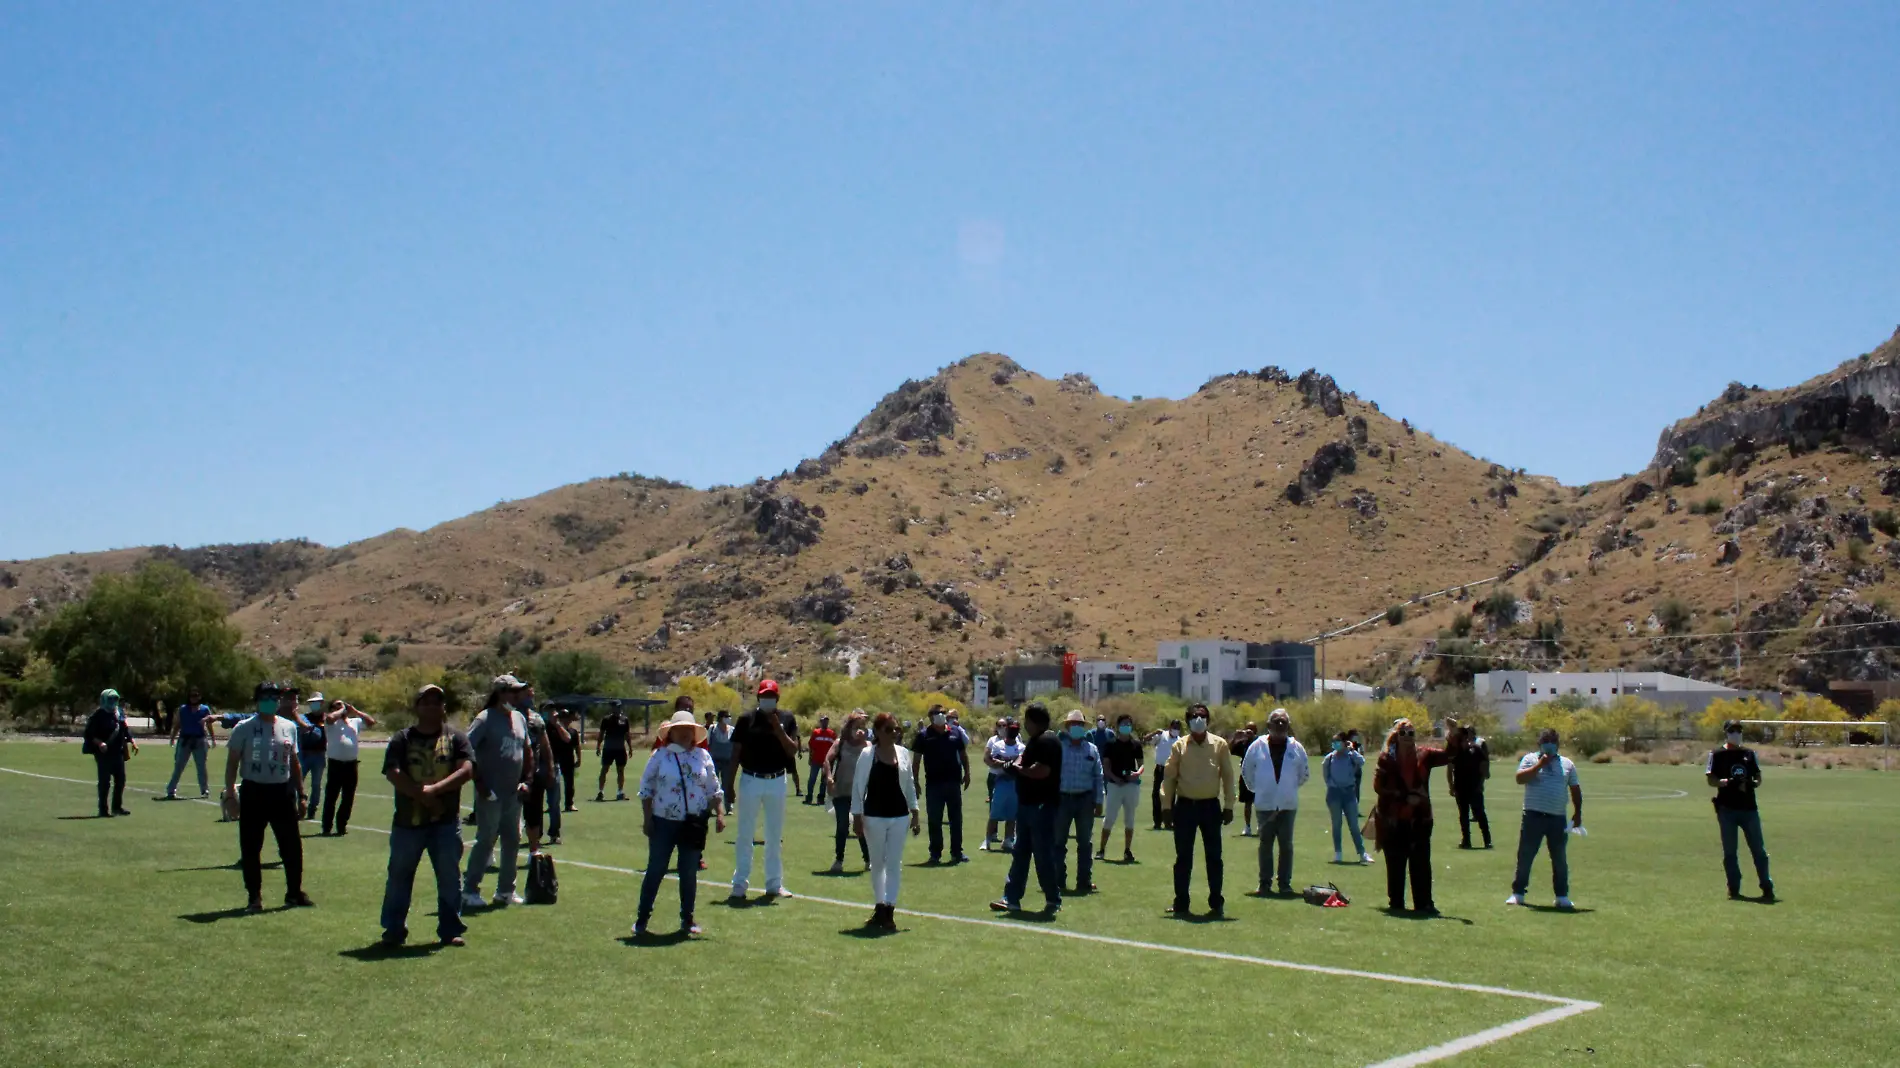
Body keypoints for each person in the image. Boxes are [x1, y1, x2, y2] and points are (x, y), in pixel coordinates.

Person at [379, 683, 474, 947]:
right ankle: (393, 930)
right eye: (426, 701)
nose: (432, 706)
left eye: (437, 701)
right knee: (399, 877)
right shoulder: (403, 739)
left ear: (444, 708)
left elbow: (466, 769)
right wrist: (423, 796)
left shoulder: (456, 738)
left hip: (445, 823)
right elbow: (393, 772)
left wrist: (434, 790)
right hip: (408, 823)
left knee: (449, 877)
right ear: (417, 706)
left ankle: (450, 929)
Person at [635, 711, 726, 938]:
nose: (686, 734)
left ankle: (687, 919)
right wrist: (647, 820)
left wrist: (720, 814)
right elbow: (646, 789)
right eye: (681, 729)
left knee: (688, 872)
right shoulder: (659, 756)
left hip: (693, 823)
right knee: (655, 870)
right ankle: (642, 919)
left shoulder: (703, 756)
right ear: (671, 733)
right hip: (663, 822)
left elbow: (713, 787)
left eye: (689, 730)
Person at [223, 682, 312, 911]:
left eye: (275, 697)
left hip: (282, 792)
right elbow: (232, 762)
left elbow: (294, 762)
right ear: (257, 699)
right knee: (251, 847)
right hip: (254, 791)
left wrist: (301, 794)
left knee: (292, 846)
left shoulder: (288, 727)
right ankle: (254, 897)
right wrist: (231, 795)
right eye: (266, 697)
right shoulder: (244, 728)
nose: (271, 701)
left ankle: (294, 893)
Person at [462, 675, 535, 910]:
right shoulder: (484, 719)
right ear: (500, 693)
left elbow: (527, 751)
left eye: (518, 692)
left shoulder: (519, 718)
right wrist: (481, 785)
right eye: (512, 692)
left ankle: (506, 890)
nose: (517, 697)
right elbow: (466, 751)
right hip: (491, 793)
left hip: (513, 792)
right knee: (486, 840)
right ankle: (470, 890)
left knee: (512, 840)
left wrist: (527, 780)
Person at [1160, 704, 1235, 917]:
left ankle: (1216, 903)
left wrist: (1229, 805)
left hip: (1210, 807)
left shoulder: (1219, 745)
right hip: (1185, 807)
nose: (1198, 719)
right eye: (1194, 716)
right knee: (1183, 858)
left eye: (1202, 716)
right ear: (1188, 721)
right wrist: (1166, 806)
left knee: (1214, 857)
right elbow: (1169, 777)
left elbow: (1228, 777)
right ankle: (1181, 903)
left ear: (1208, 720)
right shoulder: (1179, 746)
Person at [990, 704, 1064, 916]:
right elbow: (1023, 761)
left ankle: (1052, 899)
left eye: (1026, 720)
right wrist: (1013, 765)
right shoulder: (1035, 740)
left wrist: (1018, 770)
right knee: (1021, 852)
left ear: (1033, 720)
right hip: (1027, 805)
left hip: (1041, 806)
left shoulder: (1048, 741)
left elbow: (1041, 771)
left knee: (1042, 855)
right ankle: (1011, 898)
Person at [1372, 718, 1451, 914]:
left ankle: (1424, 903)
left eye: (1411, 733)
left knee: (1421, 863)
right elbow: (1379, 786)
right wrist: (1405, 798)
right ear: (1396, 736)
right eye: (1403, 733)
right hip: (1393, 820)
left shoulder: (1425, 755)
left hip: (1420, 819)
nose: (1407, 737)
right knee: (1395, 863)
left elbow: (1450, 755)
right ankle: (1396, 903)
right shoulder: (1386, 759)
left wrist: (1454, 734)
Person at [852, 712, 922, 929]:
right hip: (874, 816)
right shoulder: (867, 754)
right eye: (890, 729)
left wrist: (915, 812)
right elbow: (858, 786)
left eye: (897, 729)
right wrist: (857, 817)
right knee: (877, 864)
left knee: (894, 863)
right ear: (879, 732)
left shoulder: (903, 754)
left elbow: (909, 784)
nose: (895, 733)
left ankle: (889, 910)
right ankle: (880, 906)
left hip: (899, 817)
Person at [729, 679, 797, 901]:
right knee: (745, 834)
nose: (768, 699)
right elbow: (736, 753)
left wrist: (778, 729)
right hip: (751, 778)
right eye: (764, 696)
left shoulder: (787, 719)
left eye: (771, 696)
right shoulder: (746, 719)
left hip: (777, 779)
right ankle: (739, 884)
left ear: (777, 698)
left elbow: (792, 750)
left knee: (774, 835)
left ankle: (774, 884)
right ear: (758, 697)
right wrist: (728, 785)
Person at [1506, 728, 1583, 909]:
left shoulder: (1567, 764)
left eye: (1552, 741)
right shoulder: (1530, 759)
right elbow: (1519, 779)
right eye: (1545, 741)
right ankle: (1518, 893)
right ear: (1539, 743)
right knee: (1525, 856)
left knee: (1559, 858)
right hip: (1533, 816)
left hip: (1557, 818)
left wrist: (1578, 812)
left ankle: (1562, 896)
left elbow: (1575, 789)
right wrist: (1539, 765)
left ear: (1557, 744)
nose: (1549, 744)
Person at [1241, 708, 1309, 895]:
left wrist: (1288, 789)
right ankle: (1264, 883)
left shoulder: (1296, 747)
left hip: (1287, 805)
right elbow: (1247, 771)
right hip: (1265, 804)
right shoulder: (1257, 746)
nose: (1280, 725)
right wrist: (1260, 789)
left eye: (1284, 722)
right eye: (1276, 721)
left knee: (1286, 845)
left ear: (1288, 726)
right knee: (1265, 844)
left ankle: (1285, 884)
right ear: (1269, 725)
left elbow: (1304, 774)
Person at [1706, 719, 1775, 902]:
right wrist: (1727, 782)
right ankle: (1734, 887)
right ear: (1726, 732)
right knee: (1730, 852)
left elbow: (1758, 777)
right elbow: (1711, 780)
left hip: (1749, 809)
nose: (1736, 733)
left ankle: (1766, 886)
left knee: (1758, 851)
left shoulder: (1749, 754)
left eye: (1738, 730)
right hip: (1727, 809)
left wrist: (1752, 783)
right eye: (1732, 730)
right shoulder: (1717, 754)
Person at [910, 703, 971, 864]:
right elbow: (916, 761)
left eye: (943, 713)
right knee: (934, 820)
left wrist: (968, 773)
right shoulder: (923, 735)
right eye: (937, 713)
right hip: (934, 784)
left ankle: (957, 853)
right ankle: (935, 853)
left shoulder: (956, 732)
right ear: (930, 717)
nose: (941, 715)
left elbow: (963, 754)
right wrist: (915, 781)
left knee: (956, 819)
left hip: (953, 782)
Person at [1053, 710, 1105, 895]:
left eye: (1079, 724)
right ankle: (1058, 880)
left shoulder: (1092, 749)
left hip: (1085, 800)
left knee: (1085, 843)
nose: (1076, 727)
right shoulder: (1058, 748)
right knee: (1058, 842)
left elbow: (1098, 777)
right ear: (1067, 727)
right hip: (1062, 799)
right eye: (1073, 724)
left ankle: (1084, 881)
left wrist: (1099, 801)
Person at [823, 711, 872, 873]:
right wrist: (829, 778)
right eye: (857, 726)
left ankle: (868, 860)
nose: (860, 730)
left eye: (863, 727)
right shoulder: (840, 743)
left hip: (860, 793)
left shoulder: (868, 746)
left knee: (861, 827)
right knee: (842, 825)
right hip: (842, 790)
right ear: (849, 727)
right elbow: (827, 761)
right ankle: (839, 860)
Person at [321, 700, 377, 836]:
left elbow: (371, 722)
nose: (342, 707)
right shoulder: (331, 722)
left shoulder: (354, 722)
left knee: (348, 797)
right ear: (333, 709)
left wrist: (356, 711)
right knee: (331, 797)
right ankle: (327, 827)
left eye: (342, 705)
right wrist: (342, 709)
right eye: (337, 705)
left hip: (351, 765)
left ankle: (341, 826)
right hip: (336, 764)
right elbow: (329, 718)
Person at [1096, 713, 1145, 864]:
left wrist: (1137, 773)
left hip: (1131, 785)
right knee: (1109, 818)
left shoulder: (1136, 744)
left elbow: (1141, 764)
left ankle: (1127, 850)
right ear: (1118, 726)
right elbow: (1106, 766)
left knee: (1129, 819)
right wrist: (1115, 778)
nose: (1126, 726)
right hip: (1114, 785)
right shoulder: (1110, 744)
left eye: (1128, 724)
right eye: (1123, 724)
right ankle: (1102, 849)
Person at [84, 689, 137, 817]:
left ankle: (117, 807)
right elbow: (88, 734)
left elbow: (124, 729)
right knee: (104, 782)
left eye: (115, 699)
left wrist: (132, 741)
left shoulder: (119, 713)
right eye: (110, 699)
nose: (113, 702)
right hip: (103, 753)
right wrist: (100, 743)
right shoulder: (98, 715)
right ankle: (103, 810)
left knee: (120, 780)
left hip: (118, 751)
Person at [1321, 732, 1373, 864]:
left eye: (1338, 742)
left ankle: (1362, 853)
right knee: (1337, 824)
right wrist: (1333, 786)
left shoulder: (1351, 757)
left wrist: (1351, 750)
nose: (1335, 745)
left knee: (1354, 825)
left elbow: (1362, 761)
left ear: (1344, 743)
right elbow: (1326, 775)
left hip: (1349, 793)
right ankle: (1338, 853)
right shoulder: (1329, 758)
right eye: (1334, 742)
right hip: (1334, 794)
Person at [520, 685, 556, 855]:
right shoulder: (507, 717)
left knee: (534, 812)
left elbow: (545, 746)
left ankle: (534, 850)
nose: (530, 698)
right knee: (502, 814)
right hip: (510, 772)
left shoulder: (536, 719)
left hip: (533, 773)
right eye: (527, 695)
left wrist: (549, 769)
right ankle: (489, 851)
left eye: (532, 695)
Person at [1448, 721, 1493, 849]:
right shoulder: (1455, 751)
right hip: (1460, 788)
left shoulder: (1476, 749)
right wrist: (1451, 786)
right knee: (1463, 815)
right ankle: (1466, 840)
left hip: (1475, 787)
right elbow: (1449, 768)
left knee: (1480, 813)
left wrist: (1482, 780)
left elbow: (1484, 764)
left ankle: (1487, 840)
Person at [165, 689, 213, 799]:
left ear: (200, 697)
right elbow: (178, 724)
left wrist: (212, 739)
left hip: (200, 740)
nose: (194, 698)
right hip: (185, 740)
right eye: (192, 696)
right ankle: (171, 790)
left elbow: (209, 725)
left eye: (196, 696)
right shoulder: (183, 709)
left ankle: (204, 790)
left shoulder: (205, 709)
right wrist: (172, 738)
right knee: (179, 766)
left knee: (201, 766)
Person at [984, 717, 1023, 852]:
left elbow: (1020, 764)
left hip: (1015, 783)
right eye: (1011, 729)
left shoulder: (1021, 747)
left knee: (1012, 814)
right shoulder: (998, 745)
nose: (1013, 732)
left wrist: (1004, 762)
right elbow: (991, 761)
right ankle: (988, 839)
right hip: (1001, 781)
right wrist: (1009, 763)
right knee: (995, 812)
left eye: (1015, 730)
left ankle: (1008, 840)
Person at [545, 706, 578, 839]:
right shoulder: (540, 726)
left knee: (555, 801)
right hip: (538, 765)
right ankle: (536, 833)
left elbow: (568, 739)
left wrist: (557, 725)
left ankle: (554, 832)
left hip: (555, 764)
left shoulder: (562, 729)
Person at [295, 691, 328, 819]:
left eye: (317, 703)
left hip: (319, 755)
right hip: (304, 754)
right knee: (298, 781)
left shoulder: (327, 719)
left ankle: (312, 808)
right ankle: (299, 805)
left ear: (322, 703)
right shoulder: (304, 717)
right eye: (312, 703)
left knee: (316, 784)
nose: (314, 705)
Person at [1145, 720, 1183, 830]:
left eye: (1178, 727)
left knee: (1170, 796)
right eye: (1174, 726)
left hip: (1172, 771)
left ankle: (1168, 822)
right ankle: (1157, 822)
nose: (1176, 729)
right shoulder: (1161, 735)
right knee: (1157, 796)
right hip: (1160, 769)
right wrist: (1154, 732)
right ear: (1170, 726)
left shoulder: (1180, 740)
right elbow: (1146, 740)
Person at [595, 701, 633, 801]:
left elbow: (627, 735)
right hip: (608, 749)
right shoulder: (606, 719)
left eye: (616, 707)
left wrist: (630, 748)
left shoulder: (625, 720)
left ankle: (620, 792)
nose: (614, 709)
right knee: (604, 769)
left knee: (620, 771)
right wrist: (598, 746)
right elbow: (601, 733)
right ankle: (600, 792)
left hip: (620, 749)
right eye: (613, 707)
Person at [1230, 722, 1259, 836]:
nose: (1249, 731)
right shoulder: (1242, 743)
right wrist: (1235, 737)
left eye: (1251, 729)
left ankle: (1260, 825)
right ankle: (1247, 827)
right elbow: (1229, 750)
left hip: (1259, 775)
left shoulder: (1260, 743)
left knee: (1259, 802)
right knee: (1247, 803)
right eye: (1247, 729)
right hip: (1246, 776)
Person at [804, 715, 837, 805]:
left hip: (826, 762)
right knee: (812, 779)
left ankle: (821, 798)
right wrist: (810, 758)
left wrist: (831, 761)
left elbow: (835, 748)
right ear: (820, 722)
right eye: (823, 721)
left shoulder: (832, 734)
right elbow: (811, 746)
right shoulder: (816, 732)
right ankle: (809, 797)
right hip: (816, 760)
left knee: (824, 781)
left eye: (826, 721)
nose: (825, 722)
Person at [708, 710, 737, 805]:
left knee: (727, 784)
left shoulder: (732, 730)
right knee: (712, 785)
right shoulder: (712, 729)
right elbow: (708, 743)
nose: (729, 718)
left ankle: (729, 807)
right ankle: (712, 807)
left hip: (728, 761)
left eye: (729, 716)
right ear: (720, 718)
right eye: (726, 716)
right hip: (714, 761)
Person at [985, 716, 1006, 804]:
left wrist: (1004, 764)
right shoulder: (992, 740)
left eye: (1004, 725)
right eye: (999, 726)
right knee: (994, 803)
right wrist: (994, 765)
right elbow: (986, 758)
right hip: (994, 775)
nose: (1001, 728)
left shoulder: (1015, 739)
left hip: (1008, 775)